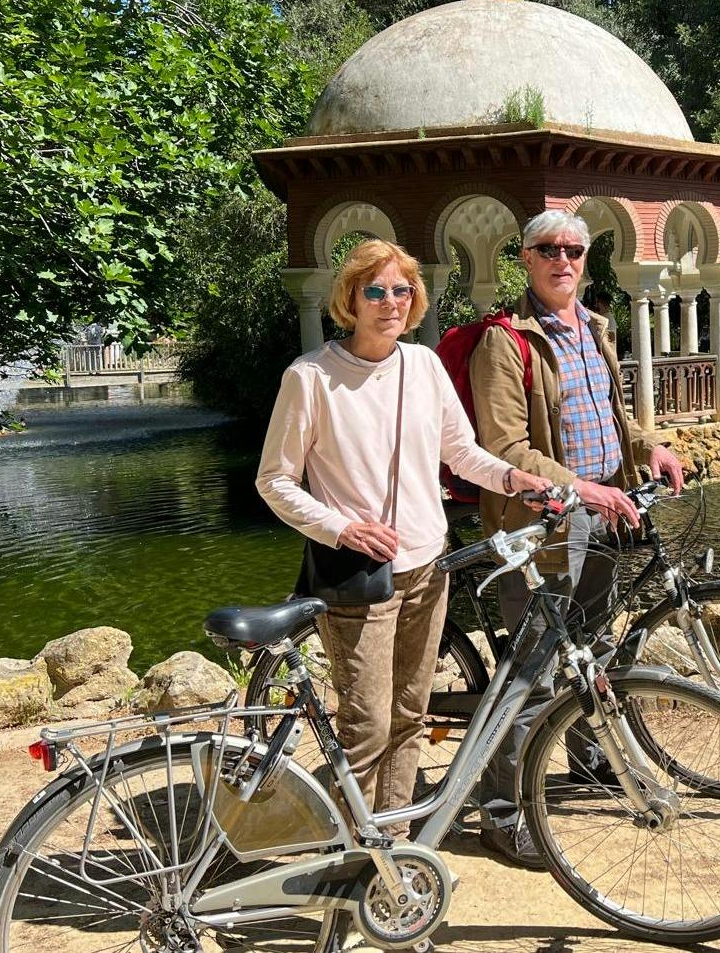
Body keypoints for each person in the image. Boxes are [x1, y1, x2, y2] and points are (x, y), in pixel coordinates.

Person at [256, 238, 551, 823]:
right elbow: (275, 481)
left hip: (428, 567)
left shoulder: (424, 365)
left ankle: (393, 838)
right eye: (375, 290)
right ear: (350, 299)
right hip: (359, 576)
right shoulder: (310, 377)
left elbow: (460, 453)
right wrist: (342, 527)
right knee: (366, 728)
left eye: (402, 289)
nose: (390, 301)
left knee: (411, 715)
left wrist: (513, 477)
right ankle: (351, 851)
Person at [470, 209, 686, 868]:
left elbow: (611, 417)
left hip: (600, 517)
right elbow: (505, 447)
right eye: (548, 250)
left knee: (594, 649)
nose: (562, 260)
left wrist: (650, 447)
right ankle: (502, 813)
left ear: (585, 259)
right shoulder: (504, 341)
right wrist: (584, 489)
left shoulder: (595, 326)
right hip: (541, 525)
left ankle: (589, 762)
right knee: (533, 672)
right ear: (525, 258)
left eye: (573, 249)